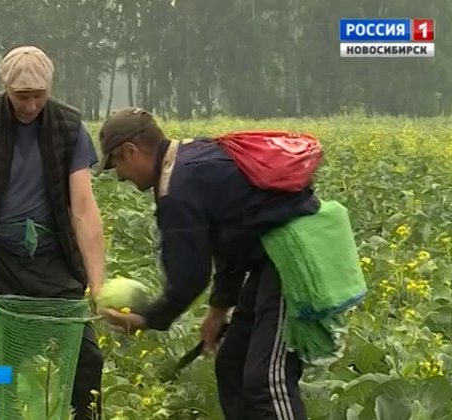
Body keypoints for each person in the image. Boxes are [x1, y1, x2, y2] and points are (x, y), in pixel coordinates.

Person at [93, 108, 321, 420]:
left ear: (131, 151)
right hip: (268, 259)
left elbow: (190, 276)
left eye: (116, 163)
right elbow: (233, 237)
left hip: (293, 260)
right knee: (233, 364)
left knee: (268, 380)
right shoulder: (191, 155)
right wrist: (218, 309)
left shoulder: (177, 189)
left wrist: (148, 319)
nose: (119, 175)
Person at [0, 46, 106, 420]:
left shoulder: (69, 126)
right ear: (5, 88)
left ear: (50, 87)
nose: (31, 106)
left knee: (87, 360)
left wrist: (98, 284)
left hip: (52, 260)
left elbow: (83, 208)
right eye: (22, 97)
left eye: (39, 96)